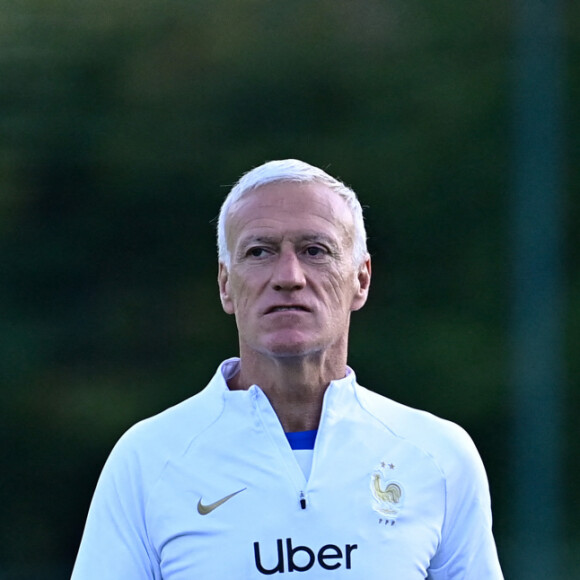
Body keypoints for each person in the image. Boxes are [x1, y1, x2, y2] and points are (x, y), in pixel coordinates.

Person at [71, 159, 504, 578]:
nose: (289, 276)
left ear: (362, 279)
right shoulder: (149, 458)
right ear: (226, 284)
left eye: (315, 250)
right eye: (260, 251)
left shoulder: (438, 455)